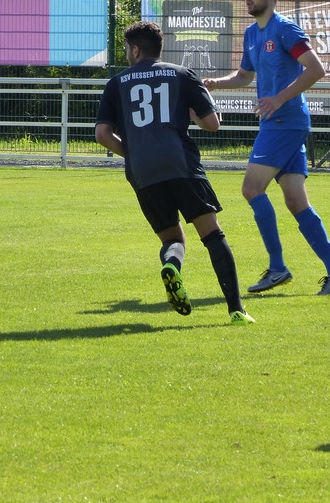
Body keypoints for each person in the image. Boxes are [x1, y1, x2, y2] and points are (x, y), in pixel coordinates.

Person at [96, 21, 254, 325]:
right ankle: (236, 310)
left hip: (142, 172)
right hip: (182, 165)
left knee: (172, 237)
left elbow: (103, 134)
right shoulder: (182, 75)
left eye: (128, 48)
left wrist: (137, 153)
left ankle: (172, 265)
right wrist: (194, 115)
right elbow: (212, 124)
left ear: (136, 49)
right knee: (212, 234)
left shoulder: (117, 83)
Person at [205, 0, 330, 296]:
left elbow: (316, 69)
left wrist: (279, 98)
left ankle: (277, 268)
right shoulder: (251, 33)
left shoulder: (285, 29)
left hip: (285, 122)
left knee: (251, 188)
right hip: (278, 124)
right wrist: (217, 83)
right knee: (296, 201)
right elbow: (244, 76)